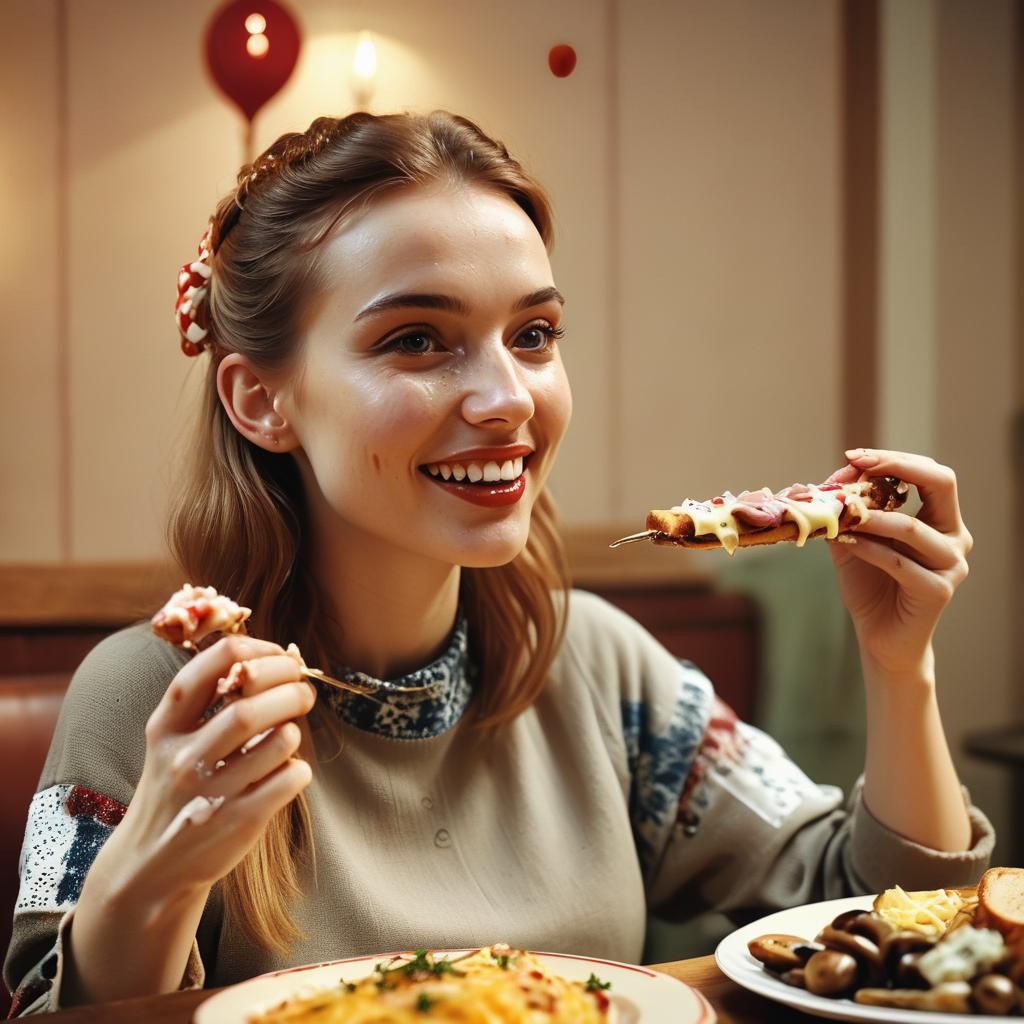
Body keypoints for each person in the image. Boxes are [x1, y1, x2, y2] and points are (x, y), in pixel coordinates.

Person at [4, 111, 993, 1014]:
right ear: (261, 399)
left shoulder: (602, 668)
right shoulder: (139, 696)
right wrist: (156, 870)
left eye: (532, 335)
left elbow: (887, 929)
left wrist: (900, 665)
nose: (507, 398)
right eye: (419, 340)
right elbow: (48, 1006)